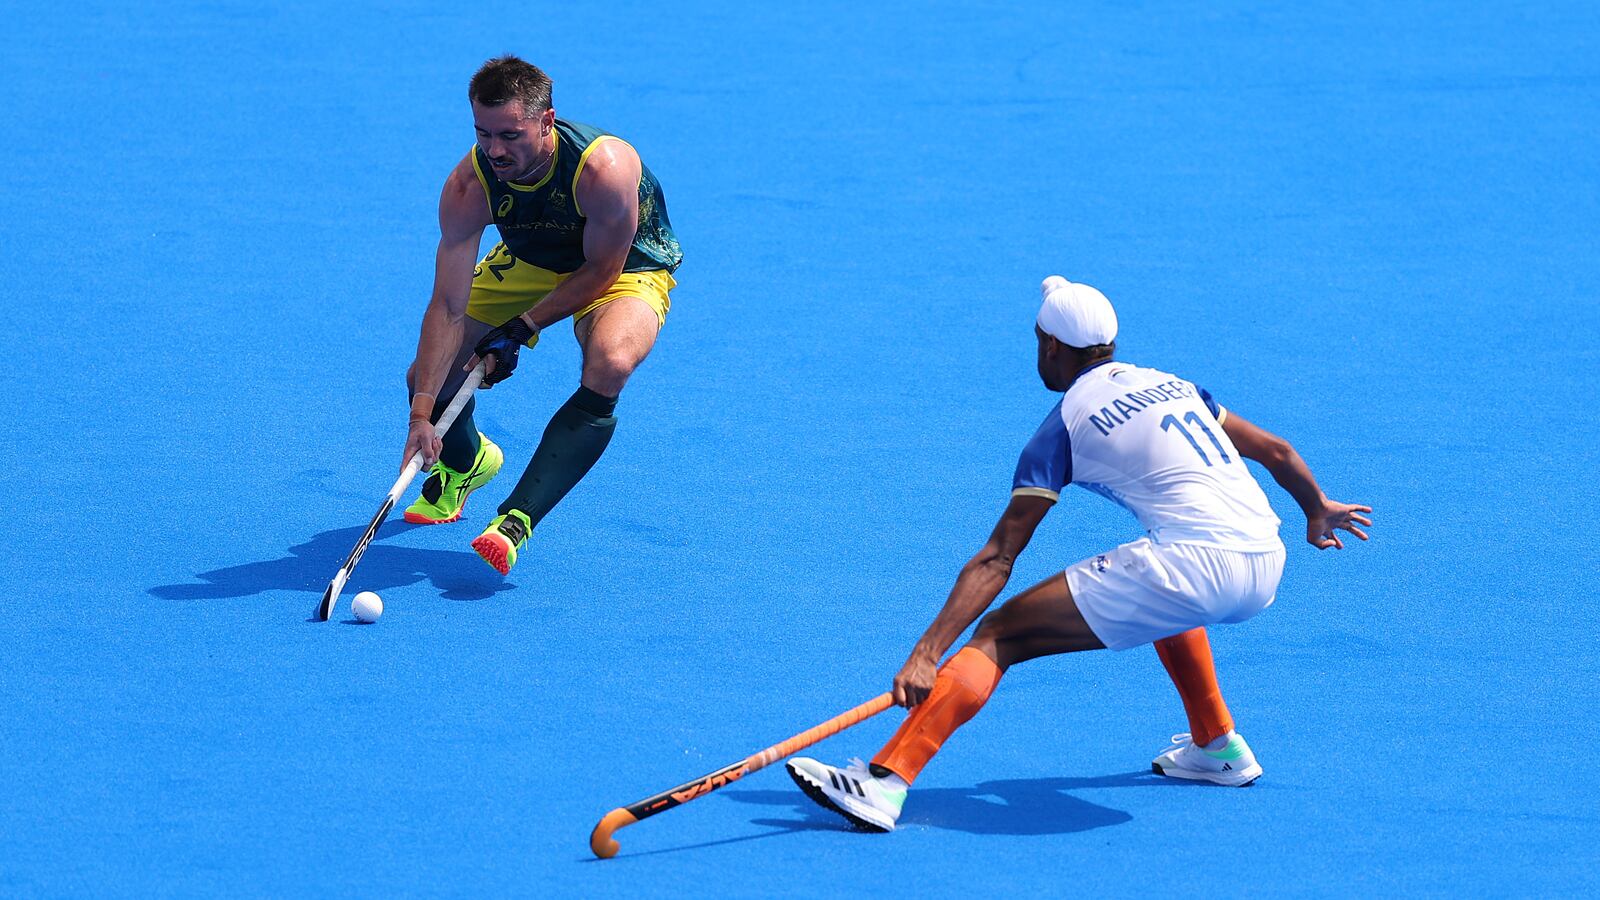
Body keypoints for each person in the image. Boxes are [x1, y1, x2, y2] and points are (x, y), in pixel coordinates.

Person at [787, 276, 1372, 831]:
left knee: (999, 635)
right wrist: (1316, 508)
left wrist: (927, 652)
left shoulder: (1062, 425)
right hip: (1266, 560)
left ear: (1049, 344)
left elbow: (998, 558)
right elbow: (1274, 449)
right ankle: (1217, 745)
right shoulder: (1177, 386)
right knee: (1162, 595)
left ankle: (886, 781)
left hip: (1193, 563)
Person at [401, 55, 682, 575]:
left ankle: (516, 520)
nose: (494, 149)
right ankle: (466, 462)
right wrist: (421, 415)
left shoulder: (604, 169)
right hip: (530, 260)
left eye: (510, 134)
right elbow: (446, 305)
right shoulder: (470, 184)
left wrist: (523, 327)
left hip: (622, 265)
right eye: (483, 133)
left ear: (547, 121)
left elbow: (600, 269)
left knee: (611, 362)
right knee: (428, 374)